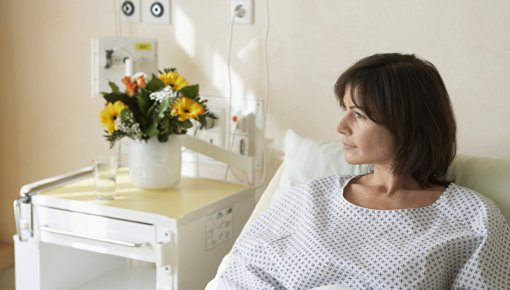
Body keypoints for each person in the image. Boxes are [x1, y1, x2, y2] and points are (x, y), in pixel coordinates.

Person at [216, 53, 510, 289]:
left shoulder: (474, 218)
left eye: (358, 114)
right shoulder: (310, 197)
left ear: (406, 122)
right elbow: (243, 272)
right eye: (344, 110)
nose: (341, 126)